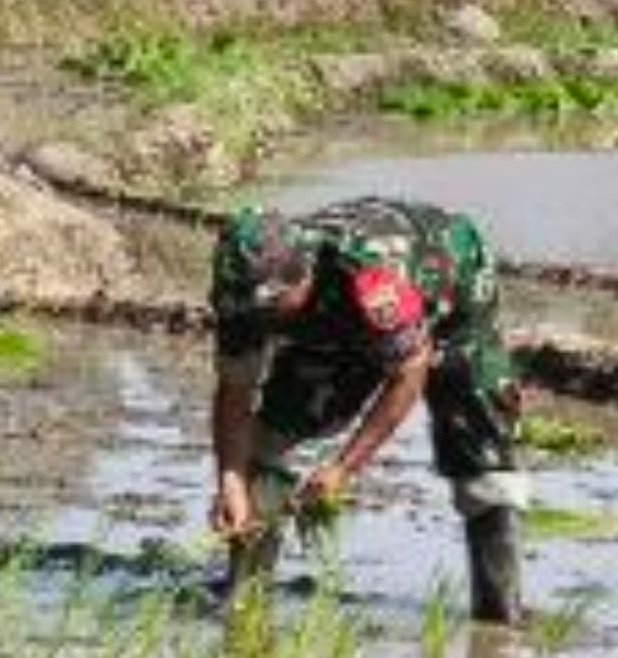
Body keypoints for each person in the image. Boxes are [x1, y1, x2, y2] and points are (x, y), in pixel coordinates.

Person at [207, 196, 533, 625]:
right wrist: (231, 479)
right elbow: (235, 389)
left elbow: (410, 370)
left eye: (270, 307)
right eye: (249, 310)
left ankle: (500, 614)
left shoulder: (372, 280)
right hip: (334, 324)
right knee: (272, 443)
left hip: (450, 284)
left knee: (479, 444)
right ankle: (244, 597)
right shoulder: (243, 296)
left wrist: (344, 468)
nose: (258, 319)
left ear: (301, 277)